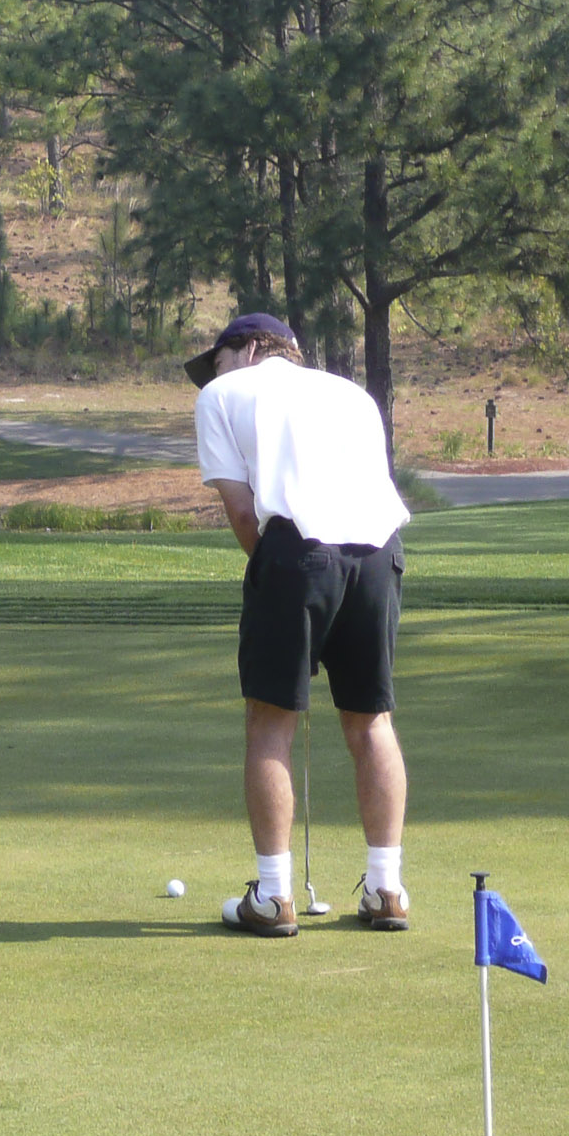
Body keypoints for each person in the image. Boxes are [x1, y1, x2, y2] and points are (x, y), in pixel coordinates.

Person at [188, 312, 414, 937]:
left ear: (249, 349)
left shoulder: (221, 397)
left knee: (270, 721)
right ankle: (387, 889)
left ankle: (273, 897)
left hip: (296, 549)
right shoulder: (352, 394)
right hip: (379, 554)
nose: (213, 376)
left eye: (218, 361)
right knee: (371, 720)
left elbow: (242, 513)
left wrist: (278, 579)